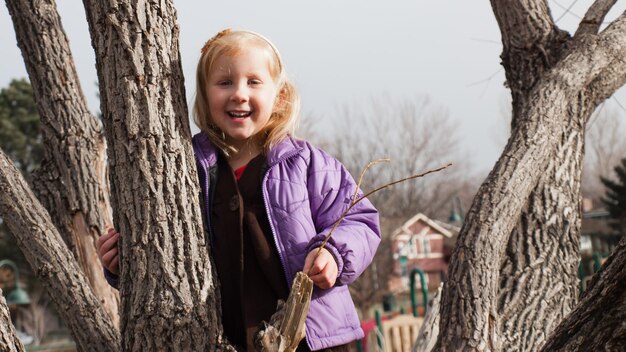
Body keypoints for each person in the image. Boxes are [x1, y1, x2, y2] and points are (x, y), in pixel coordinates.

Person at [97, 29, 380, 351]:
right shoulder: (185, 168)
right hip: (221, 338)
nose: (239, 94)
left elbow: (360, 220)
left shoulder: (308, 163)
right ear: (204, 96)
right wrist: (126, 266)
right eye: (224, 83)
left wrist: (334, 254)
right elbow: (161, 244)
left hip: (309, 336)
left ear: (280, 96)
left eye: (254, 82)